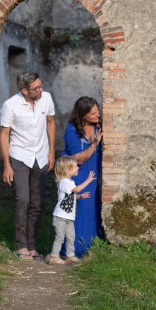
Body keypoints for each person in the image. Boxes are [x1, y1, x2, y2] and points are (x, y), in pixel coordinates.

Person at [0, 72, 56, 261]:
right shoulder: (10, 105)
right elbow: (4, 135)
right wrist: (7, 165)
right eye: (36, 88)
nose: (41, 89)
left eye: (41, 85)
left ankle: (32, 245)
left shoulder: (46, 98)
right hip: (19, 155)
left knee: (37, 203)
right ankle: (21, 244)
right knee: (23, 198)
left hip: (40, 155)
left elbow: (51, 123)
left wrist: (51, 152)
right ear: (24, 90)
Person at [61, 96, 104, 258]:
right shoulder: (72, 130)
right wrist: (93, 144)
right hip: (78, 176)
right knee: (79, 211)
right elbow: (78, 159)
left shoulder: (100, 127)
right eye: (93, 113)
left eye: (97, 111)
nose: (97, 115)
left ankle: (92, 247)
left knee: (93, 210)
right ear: (83, 115)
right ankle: (72, 250)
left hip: (94, 176)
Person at [48, 156, 96, 265]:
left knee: (71, 236)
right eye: (75, 167)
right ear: (66, 170)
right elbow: (77, 189)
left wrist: (80, 196)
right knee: (60, 237)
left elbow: (71, 195)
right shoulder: (64, 181)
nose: (77, 168)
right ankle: (53, 257)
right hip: (60, 216)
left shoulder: (70, 182)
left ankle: (70, 255)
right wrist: (88, 180)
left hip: (69, 216)